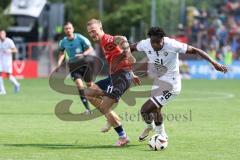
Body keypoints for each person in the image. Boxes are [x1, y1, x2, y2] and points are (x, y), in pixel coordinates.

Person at [130, 27, 227, 142]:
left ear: (163, 39)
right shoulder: (145, 44)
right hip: (159, 82)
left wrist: (214, 63)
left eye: (158, 42)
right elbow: (129, 48)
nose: (155, 45)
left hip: (172, 84)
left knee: (145, 110)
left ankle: (158, 133)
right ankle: (157, 131)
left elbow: (195, 50)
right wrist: (127, 62)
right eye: (153, 42)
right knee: (156, 110)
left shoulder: (172, 45)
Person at [87, 19, 140, 147]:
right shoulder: (103, 42)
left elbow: (122, 38)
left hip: (120, 78)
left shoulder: (106, 39)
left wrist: (128, 53)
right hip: (116, 76)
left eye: (94, 31)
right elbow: (119, 54)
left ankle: (123, 137)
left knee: (105, 107)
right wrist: (132, 73)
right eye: (90, 32)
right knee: (89, 93)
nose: (92, 34)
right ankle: (110, 118)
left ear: (100, 28)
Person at [57, 22, 94, 114]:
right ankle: (88, 109)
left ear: (73, 29)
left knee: (90, 87)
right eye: (66, 29)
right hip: (73, 67)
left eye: (69, 28)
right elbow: (61, 53)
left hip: (84, 65)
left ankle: (102, 103)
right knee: (80, 86)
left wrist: (84, 54)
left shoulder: (80, 38)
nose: (68, 30)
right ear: (64, 30)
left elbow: (90, 49)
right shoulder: (63, 42)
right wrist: (59, 63)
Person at [0, 30, 20, 95]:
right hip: (1, 60)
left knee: (8, 75)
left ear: (5, 35)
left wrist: (9, 50)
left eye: (3, 34)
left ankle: (16, 84)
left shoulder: (9, 41)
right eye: (1, 34)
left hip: (7, 60)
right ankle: (3, 90)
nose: (2, 35)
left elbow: (15, 50)